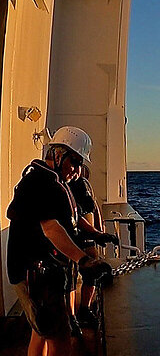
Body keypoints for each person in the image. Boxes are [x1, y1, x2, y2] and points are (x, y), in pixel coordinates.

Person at [6, 126, 112, 356]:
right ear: (57, 153)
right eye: (74, 161)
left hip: (42, 272)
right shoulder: (40, 183)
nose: (77, 170)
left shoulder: (56, 181)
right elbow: (52, 229)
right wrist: (84, 260)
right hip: (35, 274)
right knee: (60, 338)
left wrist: (96, 234)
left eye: (80, 164)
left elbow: (70, 219)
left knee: (41, 332)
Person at [68, 165, 119, 328]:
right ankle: (71, 316)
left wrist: (99, 231)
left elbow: (94, 206)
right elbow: (73, 214)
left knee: (92, 272)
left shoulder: (85, 185)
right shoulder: (66, 187)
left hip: (88, 235)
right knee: (70, 278)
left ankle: (84, 308)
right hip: (74, 236)